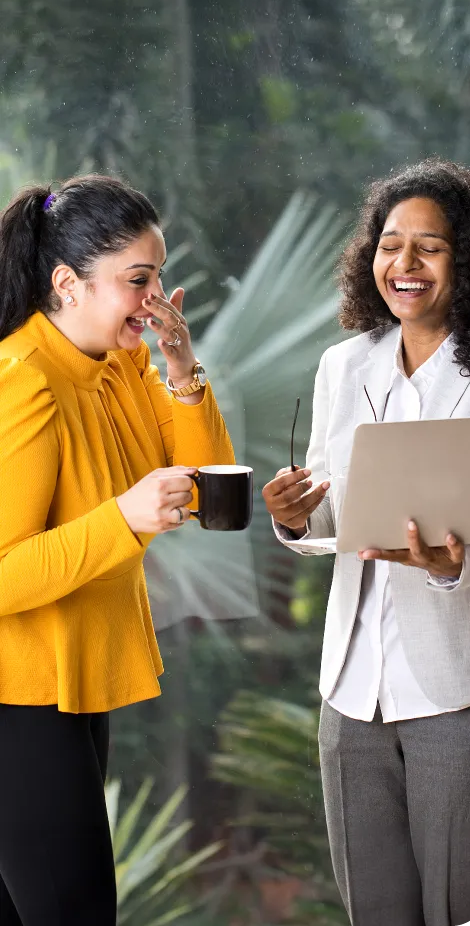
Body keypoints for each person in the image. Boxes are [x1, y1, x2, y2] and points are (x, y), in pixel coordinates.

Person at [0, 174, 234, 925]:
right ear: (67, 284)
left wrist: (182, 370)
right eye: (138, 280)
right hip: (17, 698)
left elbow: (208, 490)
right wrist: (123, 520)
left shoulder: (117, 365)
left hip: (63, 688)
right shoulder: (24, 384)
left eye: (158, 276)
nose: (156, 297)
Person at [263, 158, 470, 926]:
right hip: (352, 690)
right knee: (375, 908)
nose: (405, 264)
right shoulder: (344, 364)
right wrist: (296, 517)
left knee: (461, 905)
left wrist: (457, 568)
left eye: (431, 246)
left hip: (458, 687)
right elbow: (332, 513)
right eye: (391, 245)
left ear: (468, 258)